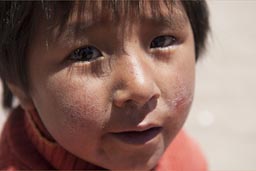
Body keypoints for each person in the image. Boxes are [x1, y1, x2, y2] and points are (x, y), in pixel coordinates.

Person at [0, 1, 210, 170]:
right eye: (85, 54)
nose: (141, 88)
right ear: (18, 83)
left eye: (162, 41)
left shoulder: (184, 157)